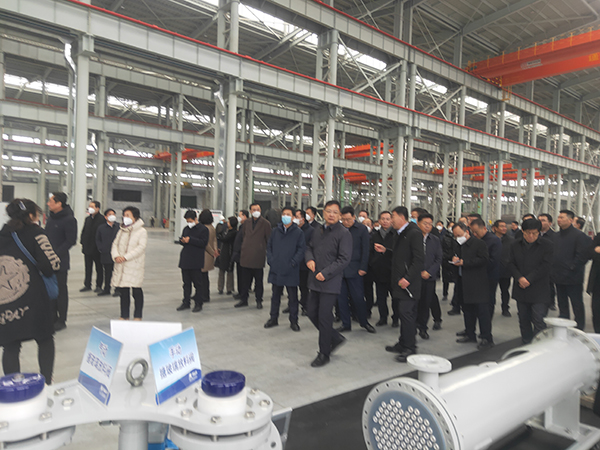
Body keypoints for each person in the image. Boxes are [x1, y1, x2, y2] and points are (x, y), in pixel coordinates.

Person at [0, 199, 60, 384]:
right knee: (44, 339)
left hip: (6, 300)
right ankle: (46, 381)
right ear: (32, 215)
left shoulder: (2, 234)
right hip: (34, 298)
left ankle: (13, 385)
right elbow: (51, 265)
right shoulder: (37, 233)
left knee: (10, 346)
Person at [305, 200, 352, 368]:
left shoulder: (344, 233)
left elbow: (344, 259)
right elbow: (309, 247)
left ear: (339, 215)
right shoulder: (317, 230)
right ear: (323, 213)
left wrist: (325, 273)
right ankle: (335, 337)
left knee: (324, 317)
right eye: (328, 211)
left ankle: (324, 353)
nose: (331, 214)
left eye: (335, 212)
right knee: (311, 312)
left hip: (330, 282)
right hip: (314, 280)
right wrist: (309, 259)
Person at [381, 206, 424, 363]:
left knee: (407, 315)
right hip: (399, 282)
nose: (391, 220)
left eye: (392, 216)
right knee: (402, 314)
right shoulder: (399, 233)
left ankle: (410, 348)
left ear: (402, 217)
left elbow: (419, 259)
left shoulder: (414, 233)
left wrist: (408, 278)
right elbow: (401, 256)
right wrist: (386, 250)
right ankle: (402, 343)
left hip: (408, 284)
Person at [508, 218, 553, 344]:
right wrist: (519, 278)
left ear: (539, 232)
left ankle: (539, 345)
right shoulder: (515, 245)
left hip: (539, 288)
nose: (531, 236)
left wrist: (529, 279)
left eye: (535, 233)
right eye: (528, 233)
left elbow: (546, 266)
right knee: (523, 318)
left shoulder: (547, 245)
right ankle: (526, 342)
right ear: (523, 231)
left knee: (538, 318)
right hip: (521, 287)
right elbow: (511, 263)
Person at [452, 222, 493, 350]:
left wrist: (465, 262)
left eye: (459, 235)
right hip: (463, 281)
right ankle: (470, 334)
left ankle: (487, 337)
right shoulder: (458, 245)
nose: (458, 238)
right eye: (455, 235)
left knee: (482, 312)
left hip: (477, 283)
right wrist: (454, 260)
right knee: (467, 310)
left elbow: (484, 260)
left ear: (467, 232)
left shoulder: (479, 244)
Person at [264, 206, 306, 332]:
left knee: (293, 297)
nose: (285, 216)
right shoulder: (275, 231)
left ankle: (294, 321)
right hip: (276, 268)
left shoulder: (298, 233)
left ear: (293, 217)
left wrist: (293, 262)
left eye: (288, 214)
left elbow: (301, 250)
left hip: (291, 270)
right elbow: (269, 246)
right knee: (275, 296)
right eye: (284, 214)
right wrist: (271, 260)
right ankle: (273, 318)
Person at [336, 206, 376, 334]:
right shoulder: (338, 229)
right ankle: (345, 323)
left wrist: (363, 267)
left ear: (354, 217)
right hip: (339, 269)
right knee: (341, 299)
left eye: (348, 219)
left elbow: (366, 250)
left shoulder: (361, 229)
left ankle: (364, 322)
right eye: (343, 219)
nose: (346, 222)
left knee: (358, 297)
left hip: (355, 269)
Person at [553, 210, 591, 330]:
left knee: (576, 304)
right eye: (558, 217)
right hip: (558, 276)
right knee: (562, 303)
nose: (559, 220)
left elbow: (582, 256)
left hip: (573, 277)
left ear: (570, 220)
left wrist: (572, 267)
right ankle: (563, 325)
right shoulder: (556, 236)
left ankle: (579, 327)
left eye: (562, 218)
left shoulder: (579, 236)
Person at [45, 192, 77, 332]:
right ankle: (51, 317)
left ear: (59, 204)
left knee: (60, 291)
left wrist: (55, 254)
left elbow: (71, 241)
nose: (48, 204)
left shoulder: (69, 219)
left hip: (60, 261)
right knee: (50, 290)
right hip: (47, 260)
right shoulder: (51, 218)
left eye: (51, 201)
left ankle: (61, 320)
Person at [111, 206, 148, 320]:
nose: (125, 217)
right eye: (124, 215)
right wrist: (116, 256)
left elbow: (141, 247)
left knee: (136, 291)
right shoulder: (121, 230)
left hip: (134, 265)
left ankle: (138, 315)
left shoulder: (142, 231)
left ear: (135, 217)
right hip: (121, 265)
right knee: (123, 292)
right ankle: (124, 315)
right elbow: (115, 244)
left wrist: (125, 257)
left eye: (128, 215)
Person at [235, 203, 272, 309]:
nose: (256, 211)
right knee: (245, 281)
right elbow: (244, 236)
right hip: (246, 255)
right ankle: (244, 299)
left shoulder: (266, 223)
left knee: (258, 281)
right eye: (254, 209)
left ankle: (259, 300)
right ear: (250, 211)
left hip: (258, 256)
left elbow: (269, 239)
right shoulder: (246, 223)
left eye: (258, 209)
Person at [416, 213, 443, 338]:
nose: (427, 226)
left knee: (426, 303)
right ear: (418, 224)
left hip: (429, 277)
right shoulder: (413, 238)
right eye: (425, 223)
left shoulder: (435, 240)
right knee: (415, 303)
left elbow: (438, 259)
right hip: (415, 277)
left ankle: (423, 328)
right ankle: (413, 326)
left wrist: (429, 272)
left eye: (430, 224)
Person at [176, 210, 208, 313]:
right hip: (185, 259)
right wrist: (183, 241)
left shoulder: (203, 229)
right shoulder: (186, 229)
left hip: (196, 260)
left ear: (195, 219)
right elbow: (184, 241)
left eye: (190, 221)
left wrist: (190, 240)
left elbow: (203, 243)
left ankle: (199, 303)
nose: (189, 223)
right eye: (187, 221)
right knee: (186, 283)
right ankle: (186, 302)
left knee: (197, 284)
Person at [470, 218, 502, 319]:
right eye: (472, 232)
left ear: (484, 228)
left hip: (489, 276)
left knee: (488, 301)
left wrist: (476, 265)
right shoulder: (474, 240)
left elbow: (494, 260)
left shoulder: (494, 240)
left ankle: (487, 322)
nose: (474, 234)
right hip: (475, 276)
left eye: (476, 231)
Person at [370, 211, 397, 327]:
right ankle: (383, 317)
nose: (385, 221)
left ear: (391, 220)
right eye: (382, 219)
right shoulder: (374, 235)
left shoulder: (396, 234)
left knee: (395, 297)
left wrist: (387, 251)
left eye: (387, 219)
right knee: (381, 297)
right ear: (379, 221)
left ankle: (396, 318)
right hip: (379, 271)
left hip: (393, 271)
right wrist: (373, 263)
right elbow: (370, 251)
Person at [80, 201, 105, 293]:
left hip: (97, 249)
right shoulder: (88, 219)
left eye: (92, 206)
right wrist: (82, 242)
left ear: (97, 208)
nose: (90, 208)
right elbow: (84, 231)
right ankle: (87, 284)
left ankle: (99, 285)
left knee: (99, 268)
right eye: (89, 206)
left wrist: (100, 246)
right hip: (87, 248)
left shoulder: (102, 219)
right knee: (88, 267)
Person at [95, 209, 120, 296]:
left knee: (117, 272)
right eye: (110, 214)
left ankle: (118, 289)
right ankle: (107, 289)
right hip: (106, 253)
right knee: (107, 272)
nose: (112, 216)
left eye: (113, 214)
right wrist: (101, 248)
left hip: (117, 253)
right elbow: (97, 239)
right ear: (105, 217)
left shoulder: (119, 227)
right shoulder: (101, 227)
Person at [294, 209, 315, 314]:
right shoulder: (293, 229)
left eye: (297, 217)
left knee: (304, 287)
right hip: (293, 262)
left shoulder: (311, 230)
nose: (295, 219)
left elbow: (311, 247)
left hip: (303, 263)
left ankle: (305, 306)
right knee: (292, 286)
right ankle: (292, 305)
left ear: (303, 218)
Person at [492, 219, 514, 317]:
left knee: (505, 291)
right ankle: (490, 308)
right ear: (495, 228)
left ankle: (505, 308)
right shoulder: (490, 239)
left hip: (505, 270)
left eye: (505, 226)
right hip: (492, 269)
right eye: (501, 226)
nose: (504, 228)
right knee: (491, 291)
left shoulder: (511, 240)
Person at [199, 209, 218, 304]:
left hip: (204, 254)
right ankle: (204, 294)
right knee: (205, 277)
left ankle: (203, 295)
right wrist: (215, 250)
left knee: (201, 277)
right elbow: (214, 240)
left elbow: (205, 243)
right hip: (209, 256)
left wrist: (212, 252)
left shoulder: (203, 228)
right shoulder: (212, 227)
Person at [539, 213, 557, 310]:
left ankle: (551, 302)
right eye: (539, 220)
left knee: (550, 285)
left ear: (550, 223)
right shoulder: (534, 235)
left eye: (543, 220)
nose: (540, 222)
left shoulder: (554, 236)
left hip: (550, 265)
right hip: (536, 265)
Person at [218, 217, 238, 295]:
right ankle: (220, 287)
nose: (227, 223)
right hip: (224, 252)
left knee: (229, 271)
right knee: (222, 270)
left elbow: (224, 239)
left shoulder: (233, 232)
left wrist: (220, 236)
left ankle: (229, 288)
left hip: (229, 253)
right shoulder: (226, 230)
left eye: (229, 222)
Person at [231, 210, 249, 300]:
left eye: (240, 215)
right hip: (238, 255)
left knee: (243, 276)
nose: (238, 217)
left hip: (242, 255)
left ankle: (243, 293)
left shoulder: (246, 227)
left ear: (244, 216)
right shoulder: (241, 226)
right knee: (239, 275)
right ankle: (240, 291)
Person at [587, 231, 600, 333]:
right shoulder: (599, 236)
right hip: (597, 283)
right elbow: (590, 253)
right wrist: (595, 252)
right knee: (596, 311)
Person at [441, 220, 456, 302]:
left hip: (455, 261)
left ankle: (455, 298)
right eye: (450, 226)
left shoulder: (457, 237)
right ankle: (445, 294)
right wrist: (446, 257)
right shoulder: (444, 237)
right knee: (445, 279)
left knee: (456, 280)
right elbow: (441, 249)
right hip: (446, 261)